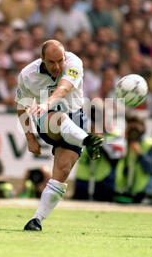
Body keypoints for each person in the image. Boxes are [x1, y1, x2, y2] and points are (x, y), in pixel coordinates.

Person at [15, 40, 103, 231]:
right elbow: (22, 106)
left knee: (61, 173)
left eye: (60, 61)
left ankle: (36, 220)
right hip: (48, 119)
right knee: (58, 118)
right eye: (51, 62)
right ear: (42, 59)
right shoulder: (27, 75)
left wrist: (46, 102)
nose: (57, 67)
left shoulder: (74, 63)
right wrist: (30, 138)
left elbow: (63, 88)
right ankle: (88, 140)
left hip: (77, 119)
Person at [114, 114, 152, 204]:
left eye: (136, 126)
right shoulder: (122, 144)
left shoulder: (149, 144)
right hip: (124, 190)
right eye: (130, 126)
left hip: (144, 191)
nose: (133, 130)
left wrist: (140, 154)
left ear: (143, 128)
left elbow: (150, 168)